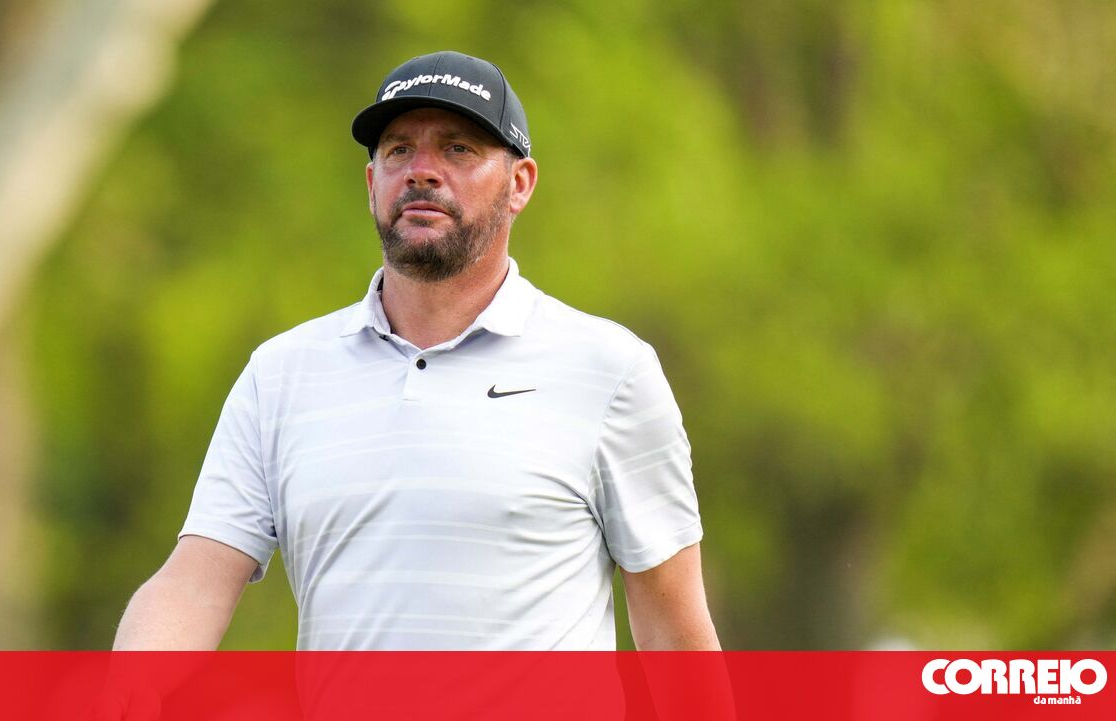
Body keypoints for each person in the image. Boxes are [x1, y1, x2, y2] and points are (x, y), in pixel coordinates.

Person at [113, 50, 720, 653]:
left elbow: (675, 634)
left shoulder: (609, 370)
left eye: (458, 149)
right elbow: (194, 583)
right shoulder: (280, 374)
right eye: (399, 149)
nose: (422, 171)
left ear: (519, 184)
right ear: (372, 182)